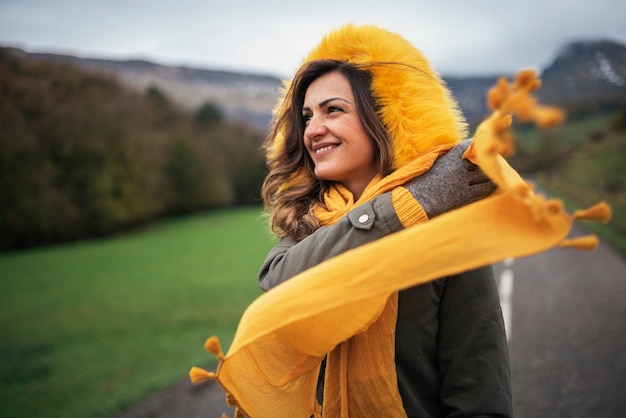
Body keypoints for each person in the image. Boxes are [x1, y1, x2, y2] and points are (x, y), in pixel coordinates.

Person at [257, 24, 513, 417]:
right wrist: (410, 203)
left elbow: (477, 386)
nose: (313, 129)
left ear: (387, 118)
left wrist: (423, 206)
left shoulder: (447, 230)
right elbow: (279, 286)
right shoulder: (310, 220)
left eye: (333, 110)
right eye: (306, 116)